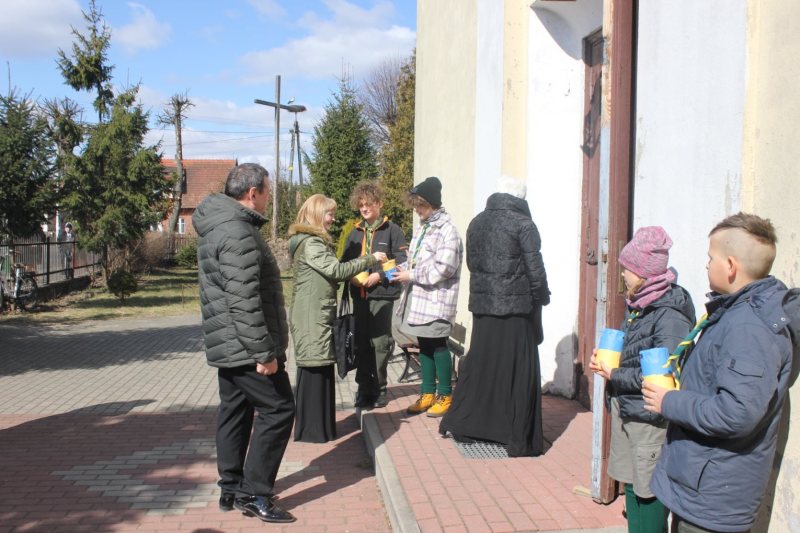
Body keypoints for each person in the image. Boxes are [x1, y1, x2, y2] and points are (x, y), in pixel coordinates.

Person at [643, 213, 798, 533]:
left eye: (710, 257)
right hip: (703, 481)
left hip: (712, 497)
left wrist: (669, 401)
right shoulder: (738, 312)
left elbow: (736, 413)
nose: (706, 265)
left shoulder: (749, 328)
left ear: (730, 266)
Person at [192, 163, 296, 524]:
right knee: (280, 409)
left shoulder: (220, 224)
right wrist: (264, 353)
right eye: (268, 190)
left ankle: (232, 487)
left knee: (235, 410)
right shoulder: (237, 232)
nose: (269, 197)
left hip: (230, 343)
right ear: (253, 193)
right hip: (246, 345)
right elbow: (244, 300)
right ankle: (254, 493)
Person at [589, 226, 695, 532]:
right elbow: (635, 353)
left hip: (649, 417)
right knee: (632, 484)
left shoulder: (669, 313)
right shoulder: (639, 303)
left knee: (649, 489)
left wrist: (615, 374)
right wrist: (607, 359)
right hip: (629, 408)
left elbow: (664, 373)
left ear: (643, 273)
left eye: (627, 268)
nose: (622, 274)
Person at [439, 176, 551, 456]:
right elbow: (535, 270)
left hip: (483, 306)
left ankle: (467, 424)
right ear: (520, 199)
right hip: (516, 308)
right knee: (517, 371)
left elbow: (473, 264)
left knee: (482, 366)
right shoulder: (524, 225)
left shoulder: (476, 222)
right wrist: (542, 296)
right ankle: (514, 434)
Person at [287, 194, 386, 442]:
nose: (333, 218)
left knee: (319, 367)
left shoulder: (311, 241)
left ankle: (320, 428)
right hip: (312, 316)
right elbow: (336, 270)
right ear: (317, 214)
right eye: (329, 214)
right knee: (315, 368)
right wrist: (370, 258)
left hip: (315, 314)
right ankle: (313, 431)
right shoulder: (312, 243)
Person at [392, 176, 463, 417]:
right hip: (421, 300)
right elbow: (416, 261)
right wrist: (401, 269)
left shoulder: (447, 231)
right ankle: (427, 393)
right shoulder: (423, 228)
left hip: (437, 301)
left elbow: (444, 268)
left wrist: (411, 275)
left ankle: (445, 395)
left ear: (431, 204)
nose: (416, 211)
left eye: (419, 206)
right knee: (424, 345)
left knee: (438, 346)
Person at [341, 181, 407, 409]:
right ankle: (363, 389)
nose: (364, 208)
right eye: (361, 205)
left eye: (368, 204)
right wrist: (351, 276)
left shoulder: (393, 231)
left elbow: (402, 263)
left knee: (379, 343)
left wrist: (379, 276)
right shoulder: (354, 232)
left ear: (379, 203)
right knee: (361, 343)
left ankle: (379, 389)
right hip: (359, 297)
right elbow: (344, 263)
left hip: (382, 296)